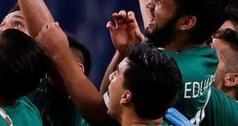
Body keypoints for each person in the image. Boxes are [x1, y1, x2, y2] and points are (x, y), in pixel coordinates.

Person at [36, 23, 182, 126]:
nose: (111, 76)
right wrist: (121, 53)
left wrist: (61, 54)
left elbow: (96, 109)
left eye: (116, 74)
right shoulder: (162, 118)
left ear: (126, 96)